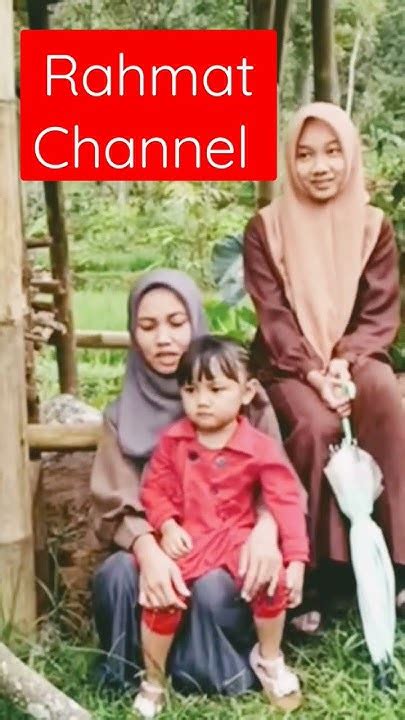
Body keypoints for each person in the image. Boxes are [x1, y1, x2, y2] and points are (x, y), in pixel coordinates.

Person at [89, 269, 295, 696]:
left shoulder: (247, 403)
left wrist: (266, 530)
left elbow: (277, 483)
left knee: (215, 586)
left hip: (228, 544)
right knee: (116, 575)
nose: (163, 339)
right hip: (161, 542)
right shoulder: (120, 416)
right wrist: (149, 550)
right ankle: (136, 672)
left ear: (196, 321)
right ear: (133, 333)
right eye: (148, 326)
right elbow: (116, 498)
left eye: (176, 323)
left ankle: (210, 668)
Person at [243, 102, 405, 634]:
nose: (320, 167)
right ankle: (317, 576)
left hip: (354, 358)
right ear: (290, 161)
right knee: (316, 425)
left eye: (333, 152)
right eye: (306, 154)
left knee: (385, 400)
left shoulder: (374, 227)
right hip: (287, 365)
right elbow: (273, 317)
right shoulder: (265, 229)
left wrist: (344, 361)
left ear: (350, 155)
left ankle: (398, 564)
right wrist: (314, 371)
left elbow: (380, 311)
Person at [134, 336, 308, 717]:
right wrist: (167, 526)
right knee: (163, 596)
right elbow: (154, 490)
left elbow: (285, 500)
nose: (202, 401)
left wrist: (295, 559)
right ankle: (153, 678)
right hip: (191, 538)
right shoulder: (174, 442)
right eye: (190, 390)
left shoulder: (260, 447)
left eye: (216, 390)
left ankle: (270, 658)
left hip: (237, 538)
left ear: (247, 392)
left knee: (270, 579)